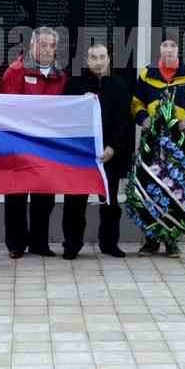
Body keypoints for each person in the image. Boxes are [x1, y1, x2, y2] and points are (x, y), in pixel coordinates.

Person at [131, 36, 185, 258]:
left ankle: (171, 239)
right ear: (159, 51)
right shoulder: (146, 75)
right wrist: (142, 118)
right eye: (165, 46)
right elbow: (136, 103)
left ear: (179, 52)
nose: (169, 50)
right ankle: (151, 240)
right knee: (150, 188)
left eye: (173, 46)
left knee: (175, 187)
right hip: (152, 142)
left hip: (178, 143)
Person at [62, 42, 134, 259]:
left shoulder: (120, 86)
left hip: (109, 154)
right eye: (94, 57)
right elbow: (66, 117)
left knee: (110, 202)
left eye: (103, 57)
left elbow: (124, 122)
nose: (99, 62)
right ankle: (72, 245)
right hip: (81, 154)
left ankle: (109, 244)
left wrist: (112, 147)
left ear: (109, 59)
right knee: (74, 203)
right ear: (86, 60)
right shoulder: (75, 84)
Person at [0, 26, 68, 259]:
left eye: (51, 45)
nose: (48, 49)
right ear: (32, 46)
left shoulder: (60, 75)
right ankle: (16, 244)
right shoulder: (15, 71)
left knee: (44, 196)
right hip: (19, 143)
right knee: (16, 196)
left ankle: (39, 243)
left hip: (46, 146)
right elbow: (7, 109)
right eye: (43, 45)